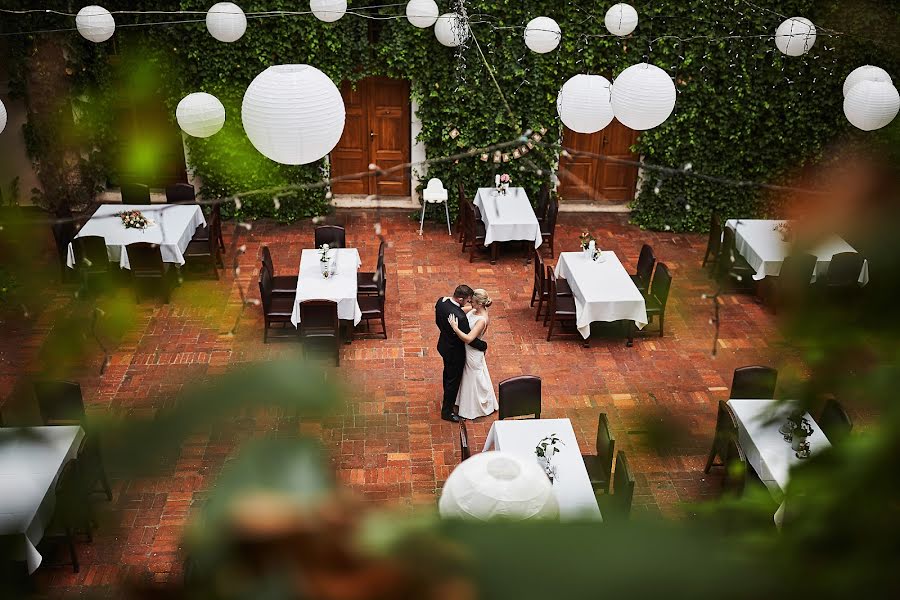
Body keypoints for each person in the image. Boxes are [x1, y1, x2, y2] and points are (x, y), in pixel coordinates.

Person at [435, 285, 487, 422]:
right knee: (453, 380)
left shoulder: (441, 302)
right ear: (460, 298)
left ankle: (450, 396)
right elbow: (470, 340)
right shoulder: (460, 317)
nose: (469, 303)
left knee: (447, 375)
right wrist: (483, 345)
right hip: (455, 352)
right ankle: (447, 412)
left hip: (444, 346)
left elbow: (438, 322)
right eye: (467, 300)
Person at [448, 289, 497, 420]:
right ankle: (464, 401)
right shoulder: (475, 309)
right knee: (468, 376)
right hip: (467, 349)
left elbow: (469, 339)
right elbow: (460, 309)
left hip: (472, 352)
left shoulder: (482, 320)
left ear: (480, 304)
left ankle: (475, 406)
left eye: (473, 302)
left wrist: (455, 327)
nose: (470, 304)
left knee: (473, 377)